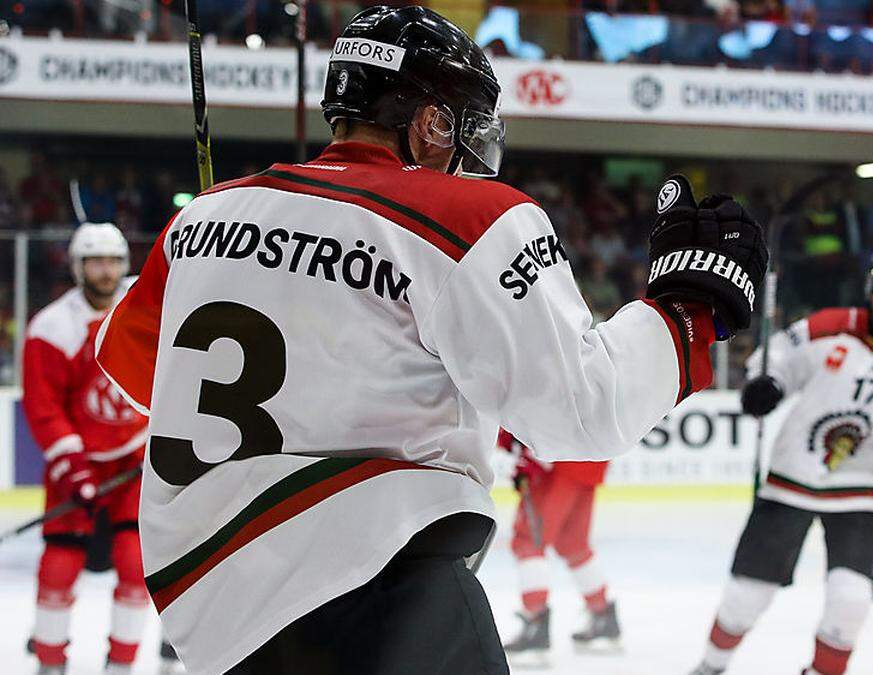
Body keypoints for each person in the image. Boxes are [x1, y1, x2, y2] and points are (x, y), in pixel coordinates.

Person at [93, 6, 768, 674]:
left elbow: (130, 362)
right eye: (464, 121)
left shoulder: (202, 220)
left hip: (211, 612)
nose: (471, 143)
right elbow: (585, 410)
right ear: (429, 121)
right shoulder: (467, 215)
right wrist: (687, 313)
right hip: (377, 591)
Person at [690, 251, 873, 675]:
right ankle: (709, 667)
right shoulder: (828, 327)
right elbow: (778, 356)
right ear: (872, 291)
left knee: (851, 599)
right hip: (792, 476)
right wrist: (768, 385)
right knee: (746, 596)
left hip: (866, 491)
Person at [23, 223, 149, 675]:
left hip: (134, 459)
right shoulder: (52, 327)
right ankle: (51, 663)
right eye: (96, 261)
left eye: (114, 260)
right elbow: (43, 407)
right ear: (78, 267)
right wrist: (74, 470)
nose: (106, 270)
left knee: (137, 566)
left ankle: (121, 664)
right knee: (59, 568)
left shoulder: (142, 307)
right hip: (77, 466)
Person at [497, 429, 619, 666]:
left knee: (529, 541)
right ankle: (603, 616)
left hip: (556, 455)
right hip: (589, 455)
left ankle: (535, 624)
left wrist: (521, 445)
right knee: (572, 544)